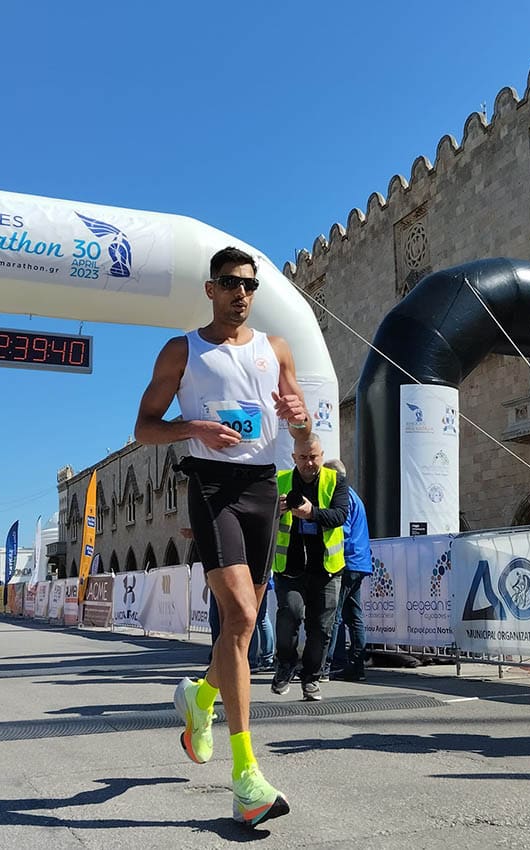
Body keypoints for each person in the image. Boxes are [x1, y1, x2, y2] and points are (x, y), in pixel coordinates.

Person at [135, 245, 310, 826]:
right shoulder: (182, 350)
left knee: (243, 627)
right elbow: (144, 427)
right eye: (231, 283)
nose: (241, 293)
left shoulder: (275, 349)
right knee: (239, 616)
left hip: (263, 488)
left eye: (250, 285)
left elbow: (301, 426)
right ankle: (246, 778)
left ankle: (200, 697)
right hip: (211, 486)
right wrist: (196, 428)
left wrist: (301, 424)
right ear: (211, 289)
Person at [271, 435, 348, 701]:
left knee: (321, 628)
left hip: (326, 569)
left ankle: (312, 678)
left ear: (322, 455)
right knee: (289, 615)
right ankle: (286, 664)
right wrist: (276, 510)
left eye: (314, 457)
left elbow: (340, 515)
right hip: (289, 568)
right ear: (294, 458)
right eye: (303, 457)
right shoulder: (279, 481)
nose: (309, 463)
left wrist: (311, 513)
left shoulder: (335, 480)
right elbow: (259, 516)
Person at [321, 459, 372, 682]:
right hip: (359, 562)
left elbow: (342, 530)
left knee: (333, 614)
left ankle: (325, 665)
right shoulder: (355, 497)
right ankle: (357, 667)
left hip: (346, 561)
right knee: (354, 616)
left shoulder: (343, 498)